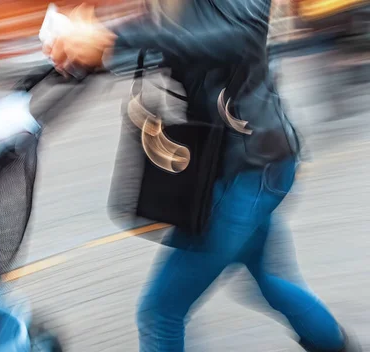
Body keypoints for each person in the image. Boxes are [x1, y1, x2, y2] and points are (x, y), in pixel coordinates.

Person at [44, 1, 360, 351]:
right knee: (269, 279)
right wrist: (83, 51)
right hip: (230, 165)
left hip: (251, 169)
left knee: (161, 312)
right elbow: (169, 43)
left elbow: (237, 37)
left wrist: (113, 37)